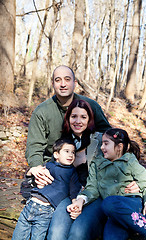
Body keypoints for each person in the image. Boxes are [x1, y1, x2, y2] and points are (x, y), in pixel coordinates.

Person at [25, 65, 139, 240]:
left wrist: (134, 180)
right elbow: (34, 146)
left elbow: (116, 143)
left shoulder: (94, 122)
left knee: (79, 232)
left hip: (93, 188)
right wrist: (37, 168)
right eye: (58, 80)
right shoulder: (43, 112)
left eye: (67, 79)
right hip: (62, 181)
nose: (63, 84)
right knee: (56, 234)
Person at [67, 128, 146, 240]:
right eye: (102, 143)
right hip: (111, 209)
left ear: (119, 147)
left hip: (130, 202)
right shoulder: (97, 163)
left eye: (106, 144)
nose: (101, 147)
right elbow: (92, 188)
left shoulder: (130, 161)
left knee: (109, 202)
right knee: (111, 236)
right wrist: (80, 200)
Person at [12, 138, 81, 240]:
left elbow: (74, 190)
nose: (71, 155)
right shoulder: (48, 165)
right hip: (30, 206)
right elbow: (31, 179)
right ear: (56, 155)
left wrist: (75, 203)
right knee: (18, 237)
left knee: (37, 237)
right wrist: (31, 172)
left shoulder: (71, 172)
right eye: (67, 151)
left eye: (73, 152)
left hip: (45, 212)